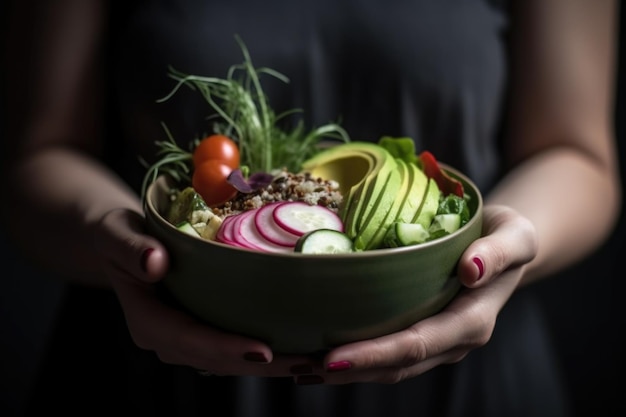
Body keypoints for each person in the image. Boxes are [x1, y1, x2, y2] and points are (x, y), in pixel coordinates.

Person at [1, 0, 621, 416]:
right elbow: (40, 155)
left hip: (466, 375)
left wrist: (500, 246)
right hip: (152, 370)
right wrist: (120, 239)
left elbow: (579, 155)